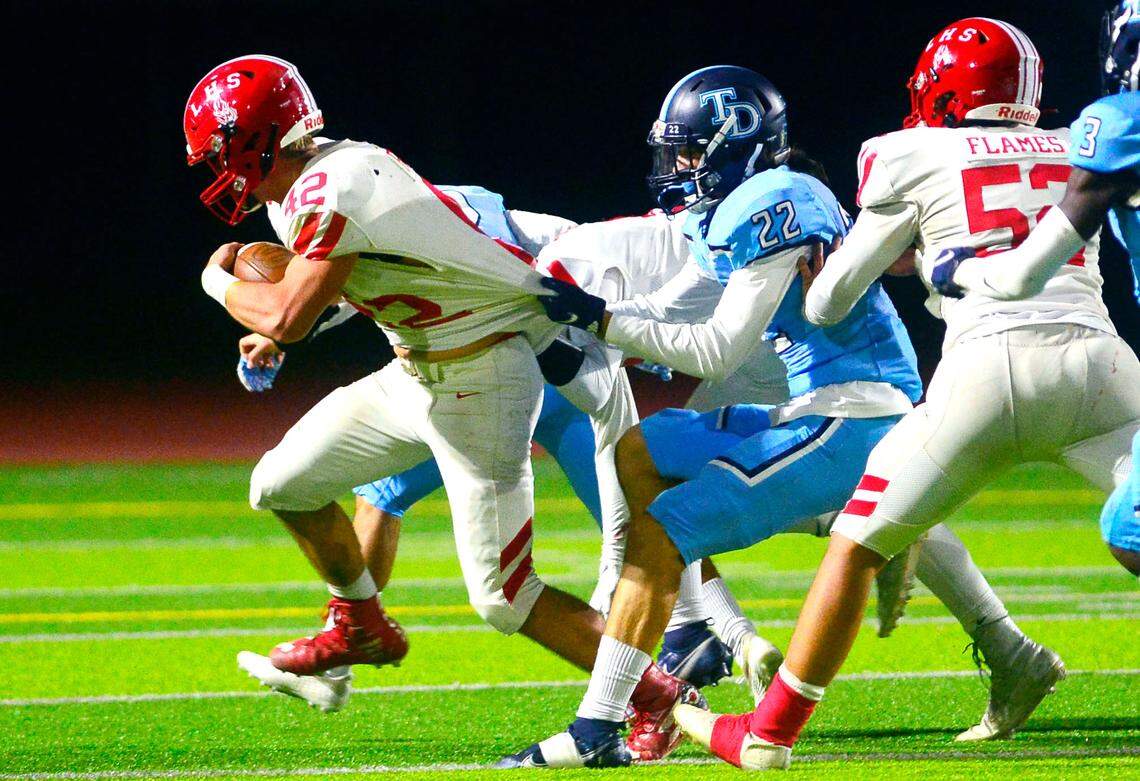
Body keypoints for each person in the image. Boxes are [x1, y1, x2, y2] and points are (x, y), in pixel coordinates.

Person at [509, 63, 1039, 768]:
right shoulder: (735, 208)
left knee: (665, 530)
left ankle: (597, 727)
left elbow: (716, 348)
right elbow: (674, 310)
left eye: (692, 149)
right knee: (642, 449)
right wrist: (603, 319)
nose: (680, 165)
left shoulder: (777, 200)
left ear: (738, 141)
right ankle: (696, 622)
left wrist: (603, 317)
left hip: (855, 414)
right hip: (812, 402)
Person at [185, 55, 699, 745]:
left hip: (480, 378)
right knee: (280, 481)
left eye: (220, 150)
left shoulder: (334, 185)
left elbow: (286, 315)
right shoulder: (305, 188)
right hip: (417, 368)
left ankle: (656, 692)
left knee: (504, 596)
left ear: (255, 137)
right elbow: (356, 280)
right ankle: (361, 621)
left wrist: (218, 282)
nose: (216, 167)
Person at [680, 18, 1140, 770]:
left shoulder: (905, 153)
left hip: (984, 369)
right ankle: (1013, 659)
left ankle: (770, 729)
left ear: (943, 87)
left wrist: (883, 255)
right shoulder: (1079, 140)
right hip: (1099, 361)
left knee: (856, 545)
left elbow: (829, 302)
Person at [932, 0, 1140, 576]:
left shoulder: (1121, 122)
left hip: (1012, 317)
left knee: (1130, 530)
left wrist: (956, 269)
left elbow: (1023, 275)